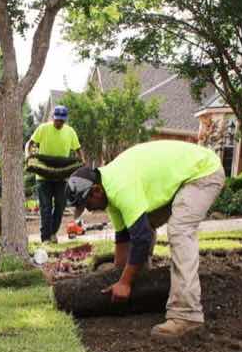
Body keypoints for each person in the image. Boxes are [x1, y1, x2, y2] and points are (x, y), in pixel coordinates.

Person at [66, 140, 225, 340]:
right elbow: (124, 237)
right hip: (183, 178)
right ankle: (144, 284)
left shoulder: (119, 187)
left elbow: (141, 239)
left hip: (203, 172)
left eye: (86, 203)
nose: (88, 209)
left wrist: (125, 282)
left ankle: (187, 315)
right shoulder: (109, 194)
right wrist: (117, 276)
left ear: (96, 190)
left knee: (179, 230)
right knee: (143, 223)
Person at [29, 105, 83, 243]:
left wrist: (82, 163)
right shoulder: (43, 128)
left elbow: (78, 150)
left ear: (65, 120)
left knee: (60, 205)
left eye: (62, 121)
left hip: (61, 175)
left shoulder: (70, 132)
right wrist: (30, 157)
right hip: (43, 176)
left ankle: (53, 233)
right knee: (45, 207)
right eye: (57, 120)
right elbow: (31, 143)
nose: (59, 123)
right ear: (53, 117)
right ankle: (45, 237)